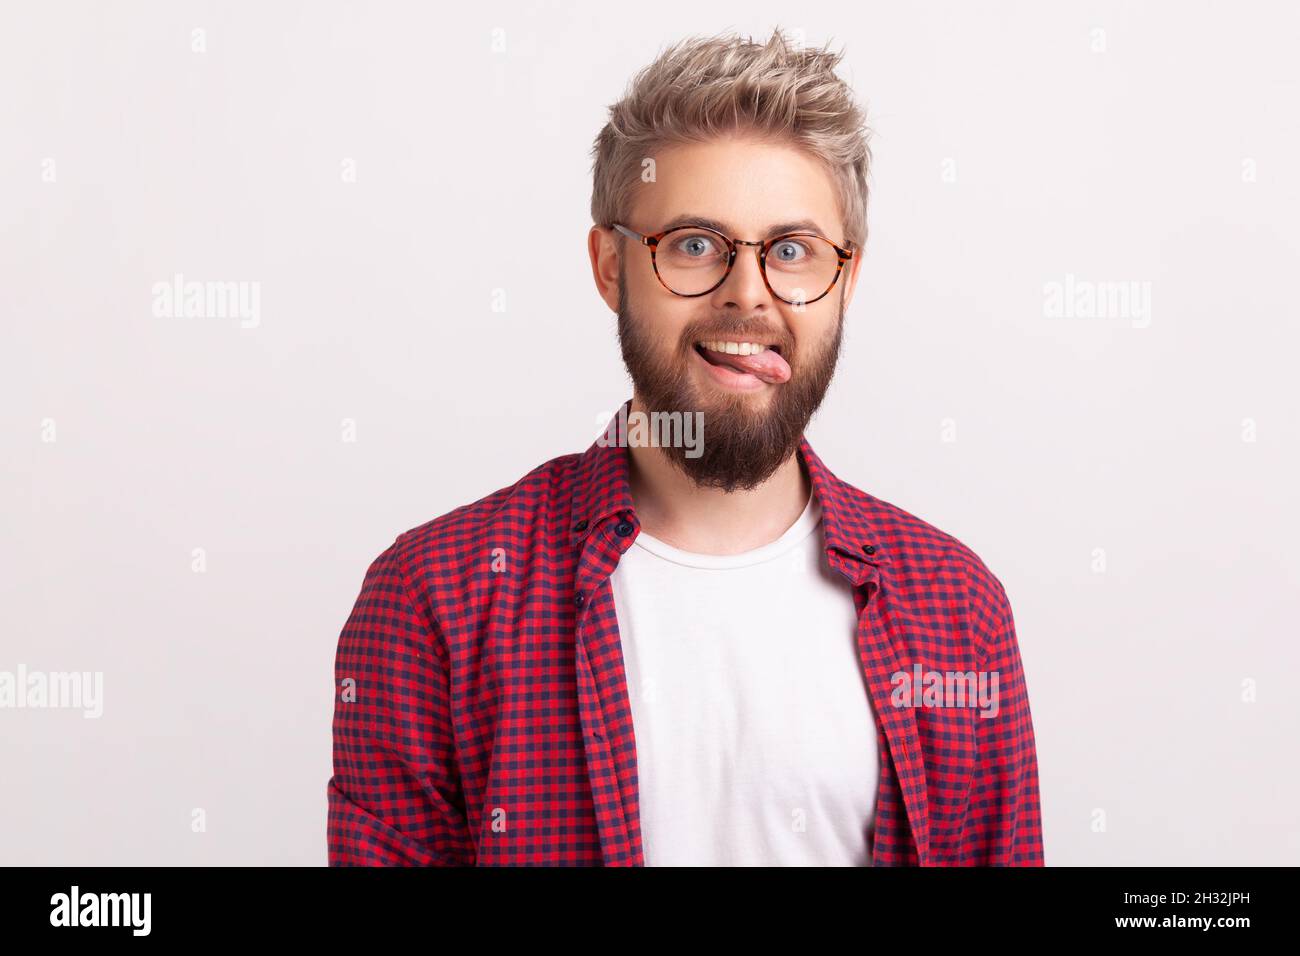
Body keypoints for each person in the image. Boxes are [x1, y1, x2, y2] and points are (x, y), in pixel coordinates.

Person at [328, 27, 1043, 866]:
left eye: (793, 251)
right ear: (609, 267)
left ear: (846, 279)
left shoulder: (959, 611)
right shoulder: (433, 602)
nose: (749, 295)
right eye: (695, 246)